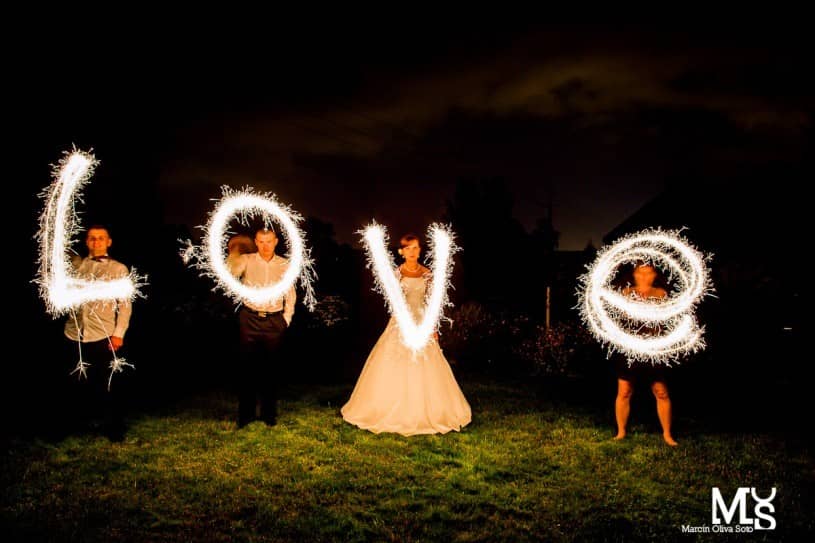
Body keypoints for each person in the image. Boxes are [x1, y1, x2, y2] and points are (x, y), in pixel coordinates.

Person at [341, 233, 471, 436]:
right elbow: (394, 302)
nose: (412, 251)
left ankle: (430, 410)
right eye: (408, 248)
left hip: (422, 322)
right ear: (401, 251)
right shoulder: (396, 274)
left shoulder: (427, 274)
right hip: (400, 323)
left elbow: (431, 303)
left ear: (420, 250)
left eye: (416, 247)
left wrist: (432, 327)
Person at [63, 225, 132, 441]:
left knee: (108, 383)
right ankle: (76, 424)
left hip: (103, 334)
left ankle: (114, 428)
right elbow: (59, 252)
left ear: (109, 242)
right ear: (86, 242)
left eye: (101, 238)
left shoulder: (118, 269)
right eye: (92, 238)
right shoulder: (76, 265)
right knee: (74, 382)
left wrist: (118, 333)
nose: (96, 242)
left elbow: (125, 305)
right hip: (74, 333)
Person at [227, 228, 295, 428]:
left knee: (271, 369)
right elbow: (231, 273)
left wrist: (286, 319)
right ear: (256, 242)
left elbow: (290, 294)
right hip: (250, 319)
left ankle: (268, 415)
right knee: (246, 369)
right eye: (261, 242)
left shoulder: (284, 264)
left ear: (276, 242)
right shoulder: (246, 260)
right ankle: (245, 416)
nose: (265, 246)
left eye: (269, 241)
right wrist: (234, 251)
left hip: (274, 321)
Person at [612, 262, 678, 446]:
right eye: (640, 272)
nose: (644, 276)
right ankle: (621, 432)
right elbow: (623, 317)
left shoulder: (660, 294)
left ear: (654, 275)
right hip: (630, 349)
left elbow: (664, 319)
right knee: (624, 391)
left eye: (648, 272)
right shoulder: (627, 293)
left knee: (661, 392)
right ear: (634, 275)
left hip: (653, 350)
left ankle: (667, 434)